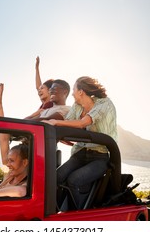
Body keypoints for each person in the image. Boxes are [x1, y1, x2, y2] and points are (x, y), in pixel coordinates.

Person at [43, 76, 117, 209]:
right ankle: (54, 211)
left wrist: (55, 122)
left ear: (81, 91)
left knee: (74, 180)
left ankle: (77, 215)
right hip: (80, 153)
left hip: (99, 156)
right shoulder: (77, 106)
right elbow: (67, 124)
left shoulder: (104, 103)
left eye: (74, 90)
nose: (72, 93)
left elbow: (84, 122)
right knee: (55, 177)